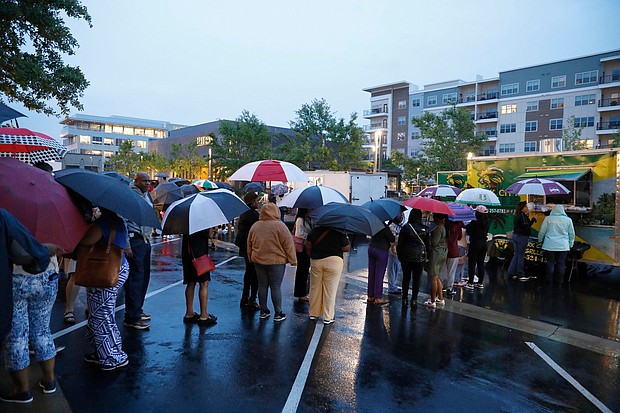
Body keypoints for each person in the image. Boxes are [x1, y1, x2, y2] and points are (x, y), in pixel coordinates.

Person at [0, 208, 53, 404]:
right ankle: (49, 381)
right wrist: (44, 251)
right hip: (47, 276)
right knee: (42, 331)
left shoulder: (8, 212)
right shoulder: (52, 208)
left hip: (16, 281)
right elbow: (36, 251)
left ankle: (22, 390)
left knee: (16, 336)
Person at [82, 210, 131, 371]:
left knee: (102, 315)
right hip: (117, 267)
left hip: (105, 271)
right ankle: (105, 351)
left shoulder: (104, 222)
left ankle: (111, 356)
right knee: (102, 313)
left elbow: (85, 240)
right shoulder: (118, 220)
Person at [247, 203, 297, 321]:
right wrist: (293, 260)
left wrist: (250, 257)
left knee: (262, 285)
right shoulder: (280, 226)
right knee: (275, 287)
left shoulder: (255, 226)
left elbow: (249, 243)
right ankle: (278, 313)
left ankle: (263, 311)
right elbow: (288, 245)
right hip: (277, 261)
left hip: (258, 260)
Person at [124, 171, 154, 330]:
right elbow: (123, 219)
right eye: (144, 181)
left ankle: (137, 309)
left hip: (145, 239)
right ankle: (132, 316)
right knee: (135, 279)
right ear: (136, 181)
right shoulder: (130, 195)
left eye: (149, 181)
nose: (148, 184)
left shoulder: (146, 195)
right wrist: (127, 244)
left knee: (143, 277)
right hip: (135, 239)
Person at [305, 226, 350, 324]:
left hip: (316, 261)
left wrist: (312, 256)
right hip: (334, 261)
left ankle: (313, 313)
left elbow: (308, 245)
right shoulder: (339, 232)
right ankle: (328, 316)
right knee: (330, 289)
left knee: (314, 288)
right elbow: (346, 248)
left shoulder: (314, 231)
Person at [181, 229, 217, 325]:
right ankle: (204, 315)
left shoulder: (186, 221)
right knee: (204, 283)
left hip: (188, 254)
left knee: (190, 282)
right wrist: (212, 228)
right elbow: (209, 234)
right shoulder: (201, 221)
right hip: (200, 255)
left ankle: (189, 313)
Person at [397, 208, 430, 309]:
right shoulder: (425, 229)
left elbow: (400, 243)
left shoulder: (406, 228)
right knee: (417, 279)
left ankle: (404, 299)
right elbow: (428, 245)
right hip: (419, 257)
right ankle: (414, 300)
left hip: (406, 256)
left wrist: (399, 255)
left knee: (406, 278)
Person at [235, 192, 261, 310]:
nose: (258, 202)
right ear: (251, 202)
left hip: (245, 246)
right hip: (252, 247)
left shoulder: (244, 213)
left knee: (248, 272)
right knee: (254, 273)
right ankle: (252, 298)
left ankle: (245, 297)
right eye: (256, 201)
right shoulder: (253, 215)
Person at [538, 204, 575, 286]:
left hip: (549, 245)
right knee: (561, 263)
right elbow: (571, 234)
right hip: (563, 246)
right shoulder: (568, 220)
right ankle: (559, 282)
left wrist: (540, 240)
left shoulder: (548, 219)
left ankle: (548, 281)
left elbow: (542, 232)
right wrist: (570, 244)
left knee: (550, 263)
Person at [366, 222, 395, 306]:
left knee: (371, 273)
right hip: (381, 250)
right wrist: (390, 230)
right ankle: (378, 297)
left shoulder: (373, 224)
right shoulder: (384, 227)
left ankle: (370, 296)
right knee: (379, 274)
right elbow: (392, 239)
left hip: (371, 248)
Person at [508, 202, 536, 281]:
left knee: (516, 254)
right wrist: (533, 219)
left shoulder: (517, 215)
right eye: (526, 207)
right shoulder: (523, 216)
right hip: (522, 236)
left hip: (516, 235)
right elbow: (526, 226)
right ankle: (520, 273)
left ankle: (511, 272)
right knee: (520, 255)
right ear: (522, 208)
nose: (527, 208)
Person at [425, 213, 448, 308]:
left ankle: (433, 300)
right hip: (442, 252)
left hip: (436, 253)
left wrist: (429, 235)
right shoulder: (443, 227)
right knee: (437, 276)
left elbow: (434, 242)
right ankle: (440, 298)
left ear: (438, 218)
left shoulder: (438, 228)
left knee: (434, 277)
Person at [465, 205, 490, 290]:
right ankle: (480, 282)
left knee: (472, 263)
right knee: (480, 263)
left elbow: (469, 231)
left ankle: (471, 282)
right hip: (484, 243)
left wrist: (468, 225)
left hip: (475, 243)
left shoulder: (474, 222)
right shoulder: (487, 222)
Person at [440, 219, 463, 297]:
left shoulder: (445, 225)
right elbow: (459, 237)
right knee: (451, 271)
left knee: (442, 270)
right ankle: (449, 288)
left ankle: (441, 286)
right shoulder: (459, 225)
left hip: (444, 249)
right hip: (454, 251)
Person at [293, 208, 312, 302]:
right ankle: (301, 293)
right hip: (302, 247)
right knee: (302, 270)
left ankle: (302, 292)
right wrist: (310, 236)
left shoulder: (307, 219)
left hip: (305, 247)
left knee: (304, 270)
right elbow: (299, 234)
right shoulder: (300, 220)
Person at [387, 209, 405, 295]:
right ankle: (392, 287)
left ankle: (393, 285)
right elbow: (394, 239)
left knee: (396, 268)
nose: (401, 216)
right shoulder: (392, 226)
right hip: (393, 250)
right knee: (392, 269)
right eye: (399, 214)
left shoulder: (399, 226)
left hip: (398, 250)